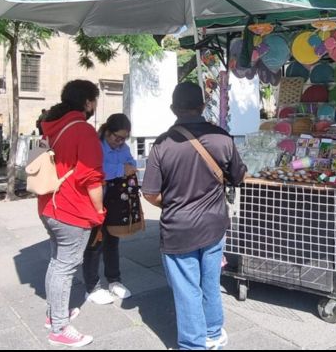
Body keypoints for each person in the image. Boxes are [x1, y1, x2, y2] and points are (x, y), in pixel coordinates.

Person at [142, 82, 246, 351]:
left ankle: (192, 345)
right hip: (214, 225)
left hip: (178, 228)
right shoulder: (223, 138)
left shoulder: (162, 145)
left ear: (173, 109)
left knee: (187, 289)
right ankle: (213, 332)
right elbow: (238, 176)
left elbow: (150, 193)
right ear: (202, 106)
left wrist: (175, 203)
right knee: (210, 281)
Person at [39, 80, 105, 348]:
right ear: (88, 102)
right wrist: (99, 210)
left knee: (57, 262)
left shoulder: (51, 126)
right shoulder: (83, 130)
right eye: (95, 100)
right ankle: (59, 327)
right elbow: (92, 177)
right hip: (72, 210)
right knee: (65, 267)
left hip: (49, 205)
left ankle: (54, 314)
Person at [83, 114, 137, 305]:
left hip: (115, 202)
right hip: (95, 202)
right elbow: (97, 170)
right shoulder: (95, 146)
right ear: (107, 131)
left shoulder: (124, 148)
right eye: (116, 137)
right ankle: (92, 286)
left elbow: (133, 164)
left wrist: (120, 168)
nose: (119, 142)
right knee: (94, 244)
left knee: (112, 240)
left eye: (123, 138)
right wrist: (121, 169)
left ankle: (114, 280)